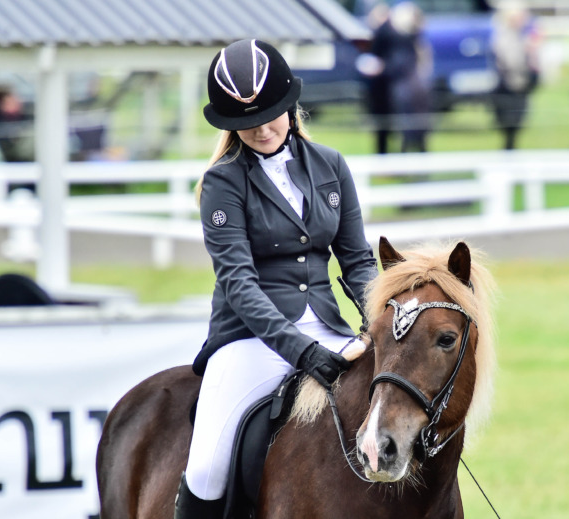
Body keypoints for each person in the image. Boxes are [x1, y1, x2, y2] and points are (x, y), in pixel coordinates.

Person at [174, 39, 378, 519]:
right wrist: (303, 352)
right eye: (247, 123)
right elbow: (239, 285)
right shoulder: (223, 183)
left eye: (271, 116)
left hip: (329, 329)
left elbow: (357, 261)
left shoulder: (331, 166)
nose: (262, 129)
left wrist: (377, 323)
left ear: (290, 106)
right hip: (250, 340)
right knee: (205, 468)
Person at [359, 2, 432, 154]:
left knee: (404, 127)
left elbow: (396, 62)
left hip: (398, 86)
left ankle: (401, 159)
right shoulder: (407, 35)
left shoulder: (392, 33)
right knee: (402, 127)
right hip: (400, 85)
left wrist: (381, 68)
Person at [490, 0, 541, 150]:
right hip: (508, 90)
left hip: (520, 88)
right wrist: (528, 51)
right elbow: (511, 62)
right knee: (509, 130)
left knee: (516, 129)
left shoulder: (521, 35)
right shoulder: (504, 36)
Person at [0, 85, 33, 163]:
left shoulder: (26, 117)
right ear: (2, 104)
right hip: (0, 151)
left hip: (21, 156)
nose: (16, 103)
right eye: (9, 102)